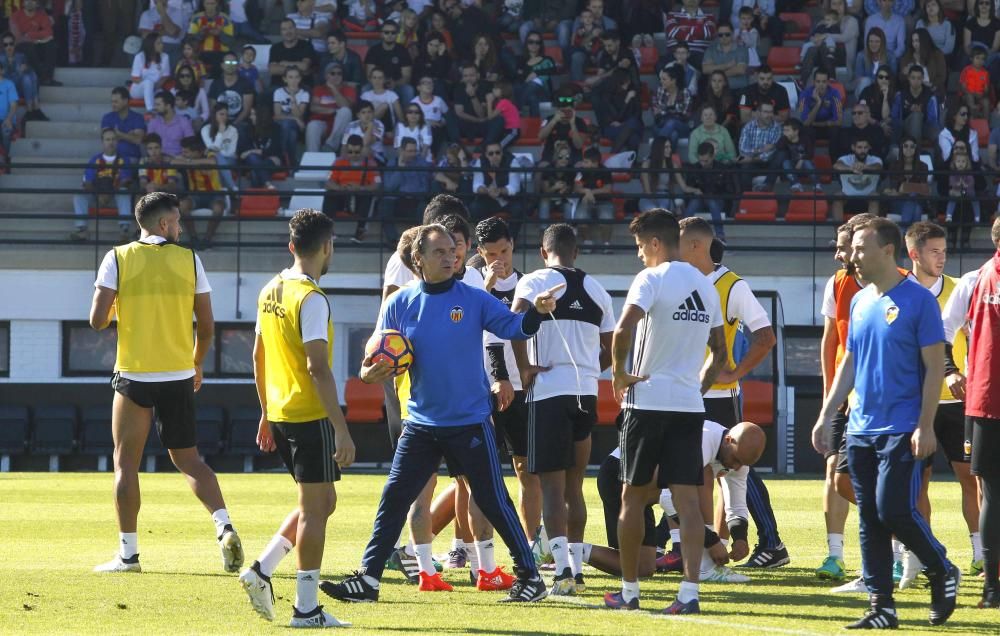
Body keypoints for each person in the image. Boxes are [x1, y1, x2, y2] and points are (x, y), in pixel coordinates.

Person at [320, 223, 563, 604]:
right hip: (421, 424)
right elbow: (372, 358)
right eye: (440, 252)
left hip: (469, 420)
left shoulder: (473, 298)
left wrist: (536, 311)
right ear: (418, 259)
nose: (451, 257)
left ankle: (529, 577)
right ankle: (368, 579)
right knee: (393, 499)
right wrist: (370, 372)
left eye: (453, 250)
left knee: (494, 499)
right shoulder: (399, 302)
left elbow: (516, 327)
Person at [812, 217, 960, 629]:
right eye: (852, 249)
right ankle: (881, 607)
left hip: (902, 426)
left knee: (892, 508)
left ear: (887, 250)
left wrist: (925, 426)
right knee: (871, 518)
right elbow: (850, 363)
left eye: (861, 248)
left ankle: (940, 566)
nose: (852, 256)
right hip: (861, 428)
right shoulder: (859, 301)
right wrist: (827, 413)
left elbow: (934, 367)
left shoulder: (919, 300)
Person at [88, 192, 243, 576]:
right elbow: (206, 327)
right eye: (176, 221)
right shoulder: (190, 259)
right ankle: (224, 525)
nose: (180, 226)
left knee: (126, 464)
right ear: (162, 224)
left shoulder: (117, 257)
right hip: (178, 375)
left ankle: (128, 556)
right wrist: (196, 364)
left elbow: (96, 320)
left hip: (135, 374)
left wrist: (119, 311)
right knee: (189, 461)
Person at [607, 208, 727, 613]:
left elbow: (624, 327)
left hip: (647, 402)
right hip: (688, 407)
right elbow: (721, 354)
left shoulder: (651, 278)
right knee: (689, 502)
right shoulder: (706, 285)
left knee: (633, 497)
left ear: (655, 243)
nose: (640, 255)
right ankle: (689, 595)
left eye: (641, 247)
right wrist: (696, 388)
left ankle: (629, 592)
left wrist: (619, 375)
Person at [239, 209, 355, 628]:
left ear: (292, 246)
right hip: (309, 416)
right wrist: (341, 428)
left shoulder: (270, 289)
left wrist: (266, 413)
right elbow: (318, 368)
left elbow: (258, 357)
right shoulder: (311, 297)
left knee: (321, 503)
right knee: (315, 509)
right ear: (327, 246)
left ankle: (261, 570)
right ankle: (306, 608)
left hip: (283, 413)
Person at [510, 223, 615, 595]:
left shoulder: (534, 281)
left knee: (551, 489)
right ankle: (577, 570)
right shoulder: (598, 290)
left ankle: (562, 575)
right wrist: (587, 368)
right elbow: (612, 348)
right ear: (576, 252)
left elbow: (515, 323)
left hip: (549, 393)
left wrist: (523, 368)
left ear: (543, 251)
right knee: (575, 486)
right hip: (586, 395)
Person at [678, 217, 784, 569]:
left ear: (696, 244)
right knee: (690, 471)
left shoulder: (731, 286)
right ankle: (698, 543)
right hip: (681, 393)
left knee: (734, 470)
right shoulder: (677, 280)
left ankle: (769, 542)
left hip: (719, 396)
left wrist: (736, 370)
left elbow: (765, 336)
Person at [901, 222, 983, 586]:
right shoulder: (898, 290)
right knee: (917, 483)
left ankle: (981, 553)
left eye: (945, 251)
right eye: (935, 251)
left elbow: (971, 338)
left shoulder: (958, 289)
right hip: (914, 405)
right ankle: (922, 556)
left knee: (972, 477)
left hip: (956, 401)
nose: (942, 257)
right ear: (914, 254)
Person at [590, 420, 764, 581]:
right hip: (619, 477)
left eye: (743, 463)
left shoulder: (737, 457)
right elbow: (670, 497)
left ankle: (571, 550)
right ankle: (703, 565)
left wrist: (740, 537)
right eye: (736, 460)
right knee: (700, 478)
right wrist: (710, 541)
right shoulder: (700, 441)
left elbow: (737, 504)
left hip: (645, 486)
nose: (736, 467)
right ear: (728, 440)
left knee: (643, 568)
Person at [474, 217, 541, 542]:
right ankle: (472, 550)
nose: (499, 260)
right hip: (484, 390)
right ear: (480, 252)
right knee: (478, 473)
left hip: (523, 389)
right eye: (490, 254)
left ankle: (532, 543)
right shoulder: (474, 289)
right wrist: (486, 286)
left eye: (504, 250)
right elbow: (480, 333)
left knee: (526, 468)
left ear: (513, 245)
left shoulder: (528, 285)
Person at [961, 217, 1000, 609]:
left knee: (993, 495)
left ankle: (992, 589)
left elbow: (952, 325)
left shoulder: (979, 276)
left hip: (985, 399)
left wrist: (954, 370)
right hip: (987, 396)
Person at [70, 128, 135, 243]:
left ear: (117, 141)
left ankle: (124, 232)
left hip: (115, 196)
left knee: (124, 192)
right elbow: (88, 182)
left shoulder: (124, 160)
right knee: (79, 194)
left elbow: (125, 181)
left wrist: (108, 194)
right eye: (107, 139)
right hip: (97, 196)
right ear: (102, 142)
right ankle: (82, 230)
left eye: (113, 139)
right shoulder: (95, 159)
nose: (111, 142)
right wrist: (99, 194)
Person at [323, 134, 379, 242]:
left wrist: (360, 188)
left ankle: (360, 231)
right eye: (350, 152)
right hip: (342, 196)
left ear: (362, 149)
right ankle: (328, 230)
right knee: (329, 194)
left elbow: (377, 185)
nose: (353, 155)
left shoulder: (371, 164)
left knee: (368, 196)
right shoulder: (339, 162)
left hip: (360, 197)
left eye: (357, 152)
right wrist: (340, 188)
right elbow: (328, 182)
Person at [174, 134, 227, 247]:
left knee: (219, 208)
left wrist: (189, 162)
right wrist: (189, 160)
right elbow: (174, 162)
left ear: (197, 152)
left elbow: (212, 162)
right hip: (195, 195)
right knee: (182, 206)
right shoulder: (185, 157)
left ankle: (207, 239)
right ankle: (194, 238)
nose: (184, 154)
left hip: (214, 194)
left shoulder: (209, 154)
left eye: (187, 152)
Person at [379, 137, 431, 245]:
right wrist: (400, 168)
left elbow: (424, 186)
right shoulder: (392, 163)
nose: (413, 154)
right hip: (397, 200)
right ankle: (393, 241)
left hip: (415, 200)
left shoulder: (421, 163)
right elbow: (389, 187)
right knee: (384, 206)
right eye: (409, 151)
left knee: (425, 208)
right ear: (401, 151)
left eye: (414, 151)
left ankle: (420, 243)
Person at [305, 63, 356, 153]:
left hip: (340, 125)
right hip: (322, 123)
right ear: (326, 76)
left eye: (339, 73)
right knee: (312, 125)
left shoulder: (349, 89)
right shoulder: (319, 89)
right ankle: (312, 158)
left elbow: (346, 106)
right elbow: (313, 108)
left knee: (345, 111)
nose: (336, 76)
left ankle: (330, 146)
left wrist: (334, 89)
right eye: (332, 73)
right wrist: (334, 111)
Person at [363, 20, 414, 104]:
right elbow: (369, 75)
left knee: (408, 90)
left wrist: (395, 83)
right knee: (365, 89)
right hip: (377, 83)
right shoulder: (373, 50)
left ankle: (406, 116)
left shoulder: (402, 50)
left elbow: (407, 76)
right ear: (381, 34)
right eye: (386, 32)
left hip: (397, 84)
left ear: (397, 34)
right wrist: (381, 83)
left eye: (393, 32)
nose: (390, 35)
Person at [9, 0, 58, 86]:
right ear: (23, 3)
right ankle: (44, 77)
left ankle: (48, 78)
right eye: (27, 0)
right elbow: (17, 37)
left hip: (36, 43)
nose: (30, 3)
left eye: (33, 1)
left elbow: (49, 32)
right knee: (29, 47)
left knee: (52, 46)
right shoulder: (15, 16)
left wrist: (30, 34)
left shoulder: (41, 15)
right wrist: (36, 38)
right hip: (21, 45)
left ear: (37, 4)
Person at [832, 138, 882, 222]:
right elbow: (836, 165)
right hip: (847, 198)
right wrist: (851, 168)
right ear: (853, 148)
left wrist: (865, 167)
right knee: (837, 196)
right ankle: (840, 233)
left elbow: (878, 167)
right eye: (859, 147)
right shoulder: (846, 158)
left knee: (875, 196)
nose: (862, 150)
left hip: (868, 197)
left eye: (865, 147)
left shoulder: (875, 159)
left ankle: (871, 232)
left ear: (869, 148)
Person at [208, 51, 254, 137]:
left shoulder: (245, 83)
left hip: (240, 121)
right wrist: (220, 123)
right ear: (222, 65)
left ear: (237, 65)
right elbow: (212, 108)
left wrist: (233, 124)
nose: (230, 65)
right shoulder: (216, 84)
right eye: (228, 62)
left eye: (233, 62)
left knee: (242, 129)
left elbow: (246, 110)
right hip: (219, 120)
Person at [738, 102, 781, 191]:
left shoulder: (777, 128)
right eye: (766, 112)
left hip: (770, 163)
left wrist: (752, 157)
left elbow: (771, 153)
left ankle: (766, 191)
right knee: (744, 167)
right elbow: (742, 149)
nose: (769, 115)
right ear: (758, 113)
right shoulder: (748, 126)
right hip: (752, 162)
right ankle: (747, 199)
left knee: (780, 156)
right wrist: (760, 150)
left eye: (771, 112)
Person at [186, 0, 235, 74]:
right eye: (207, 3)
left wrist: (220, 34)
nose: (210, 6)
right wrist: (201, 34)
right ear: (203, 4)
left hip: (220, 54)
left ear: (217, 4)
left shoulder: (225, 19)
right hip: (200, 54)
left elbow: (230, 42)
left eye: (212, 3)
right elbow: (190, 40)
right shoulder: (196, 18)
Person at [273, 66, 309, 164]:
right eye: (290, 77)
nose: (293, 80)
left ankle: (283, 158)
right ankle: (291, 162)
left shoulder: (304, 94)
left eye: (296, 77)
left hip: (295, 125)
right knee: (290, 131)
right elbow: (277, 115)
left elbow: (299, 114)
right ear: (285, 79)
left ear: (300, 79)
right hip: (282, 123)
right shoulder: (279, 92)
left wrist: (293, 97)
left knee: (289, 126)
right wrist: (295, 119)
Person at [102, 87, 147, 163]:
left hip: (131, 159)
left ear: (125, 101)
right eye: (112, 102)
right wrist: (129, 136)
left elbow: (138, 140)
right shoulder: (107, 118)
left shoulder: (137, 117)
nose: (113, 104)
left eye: (116, 102)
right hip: (112, 158)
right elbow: (106, 139)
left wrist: (120, 135)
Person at [201, 102, 239, 192]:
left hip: (230, 159)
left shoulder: (233, 130)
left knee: (217, 157)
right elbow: (211, 149)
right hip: (213, 159)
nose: (224, 117)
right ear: (214, 115)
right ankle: (232, 187)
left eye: (226, 114)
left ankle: (225, 190)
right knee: (216, 157)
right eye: (221, 114)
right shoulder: (205, 129)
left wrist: (217, 152)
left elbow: (231, 152)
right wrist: (220, 133)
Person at [268, 18, 315, 89]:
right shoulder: (275, 48)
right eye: (284, 29)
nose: (288, 32)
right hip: (278, 86)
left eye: (290, 28)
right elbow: (273, 70)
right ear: (281, 32)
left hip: (301, 86)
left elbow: (305, 66)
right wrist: (298, 69)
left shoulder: (306, 45)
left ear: (295, 29)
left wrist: (284, 63)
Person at [701, 24, 749, 91]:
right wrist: (727, 65)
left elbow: (740, 70)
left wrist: (717, 76)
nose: (724, 37)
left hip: (739, 89)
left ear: (732, 34)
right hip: (717, 91)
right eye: (720, 35)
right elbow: (706, 69)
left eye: (727, 34)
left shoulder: (742, 49)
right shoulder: (711, 50)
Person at [130, 34, 171, 112]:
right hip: (138, 89)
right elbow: (135, 78)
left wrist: (153, 88)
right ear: (151, 45)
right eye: (158, 43)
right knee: (148, 82)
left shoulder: (165, 57)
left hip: (155, 88)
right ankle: (150, 110)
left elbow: (165, 77)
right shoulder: (140, 56)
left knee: (167, 95)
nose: (162, 45)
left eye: (162, 43)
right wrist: (149, 86)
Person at [798, 69, 843, 142]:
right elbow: (805, 123)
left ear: (828, 82)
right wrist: (818, 103)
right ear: (814, 82)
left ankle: (833, 154)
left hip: (827, 127)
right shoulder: (805, 94)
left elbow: (839, 122)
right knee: (806, 131)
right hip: (812, 128)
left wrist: (816, 124)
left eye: (824, 82)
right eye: (818, 81)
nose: (821, 85)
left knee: (836, 130)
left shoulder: (835, 93)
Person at [147, 90, 195, 158]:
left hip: (178, 161)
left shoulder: (184, 122)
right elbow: (150, 145)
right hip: (158, 160)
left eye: (158, 105)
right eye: (155, 105)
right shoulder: (153, 122)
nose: (155, 108)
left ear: (168, 106)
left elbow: (191, 146)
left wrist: (178, 158)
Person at [960, 46, 991, 119]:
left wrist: (982, 94)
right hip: (967, 95)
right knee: (970, 98)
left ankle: (985, 122)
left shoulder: (985, 73)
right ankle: (973, 118)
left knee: (986, 102)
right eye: (977, 58)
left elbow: (986, 89)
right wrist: (972, 93)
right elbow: (963, 87)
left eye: (982, 59)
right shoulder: (966, 70)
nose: (980, 61)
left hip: (980, 96)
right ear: (971, 58)